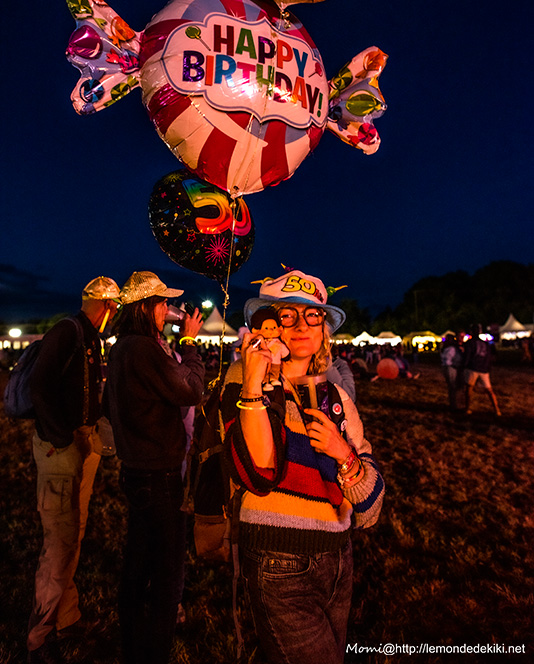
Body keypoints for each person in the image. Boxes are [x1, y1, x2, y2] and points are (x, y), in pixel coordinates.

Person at [220, 269, 385, 664]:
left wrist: (343, 454)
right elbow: (259, 473)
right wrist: (254, 384)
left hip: (339, 559)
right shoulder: (244, 379)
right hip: (278, 561)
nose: (300, 326)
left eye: (313, 316)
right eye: (287, 316)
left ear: (324, 329)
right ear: (269, 326)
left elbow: (371, 508)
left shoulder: (337, 396)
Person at [103, 271, 205, 664]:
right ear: (147, 307)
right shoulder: (144, 349)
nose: (169, 310)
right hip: (159, 475)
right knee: (166, 574)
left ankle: (132, 647)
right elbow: (191, 389)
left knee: (137, 564)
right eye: (163, 303)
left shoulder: (122, 348)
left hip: (135, 470)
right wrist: (190, 342)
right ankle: (155, 651)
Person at [27, 276, 121, 664]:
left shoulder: (88, 336)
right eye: (116, 308)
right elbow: (39, 386)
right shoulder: (68, 332)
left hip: (80, 442)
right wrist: (61, 440)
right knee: (60, 541)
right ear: (108, 306)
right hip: (62, 447)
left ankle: (66, 616)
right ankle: (39, 638)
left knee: (73, 534)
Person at [463, 324, 501, 416]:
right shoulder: (485, 343)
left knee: (469, 388)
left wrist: (464, 365)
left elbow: (467, 356)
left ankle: (468, 408)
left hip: (473, 368)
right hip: (484, 368)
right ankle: (497, 409)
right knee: (489, 390)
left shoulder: (470, 343)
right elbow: (489, 356)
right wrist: (488, 367)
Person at [440, 334, 463, 411]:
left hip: (448, 367)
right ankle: (454, 405)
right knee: (453, 386)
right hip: (451, 368)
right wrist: (455, 365)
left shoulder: (446, 348)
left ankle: (453, 403)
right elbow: (448, 361)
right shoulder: (451, 349)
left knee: (452, 387)